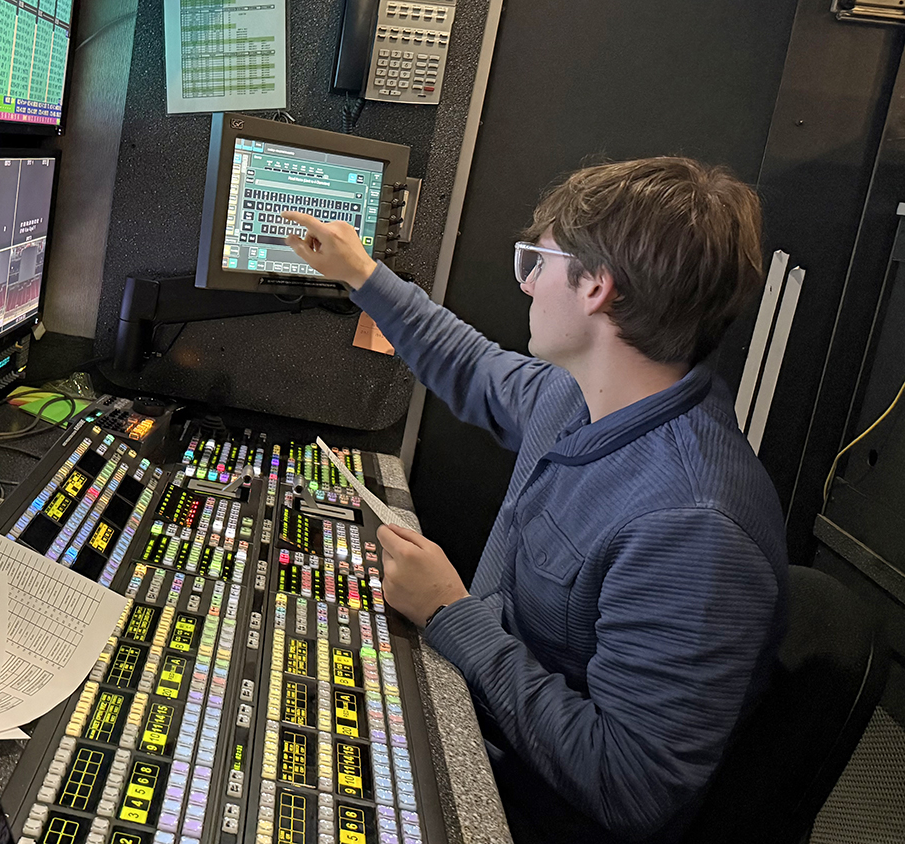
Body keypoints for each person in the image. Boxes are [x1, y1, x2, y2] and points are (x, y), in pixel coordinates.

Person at [281, 157, 788, 844]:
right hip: (480, 723)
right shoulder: (579, 394)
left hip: (522, 811)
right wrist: (362, 275)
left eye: (538, 261)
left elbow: (627, 784)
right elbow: (472, 366)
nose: (525, 283)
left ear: (597, 289)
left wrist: (448, 612)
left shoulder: (694, 529)